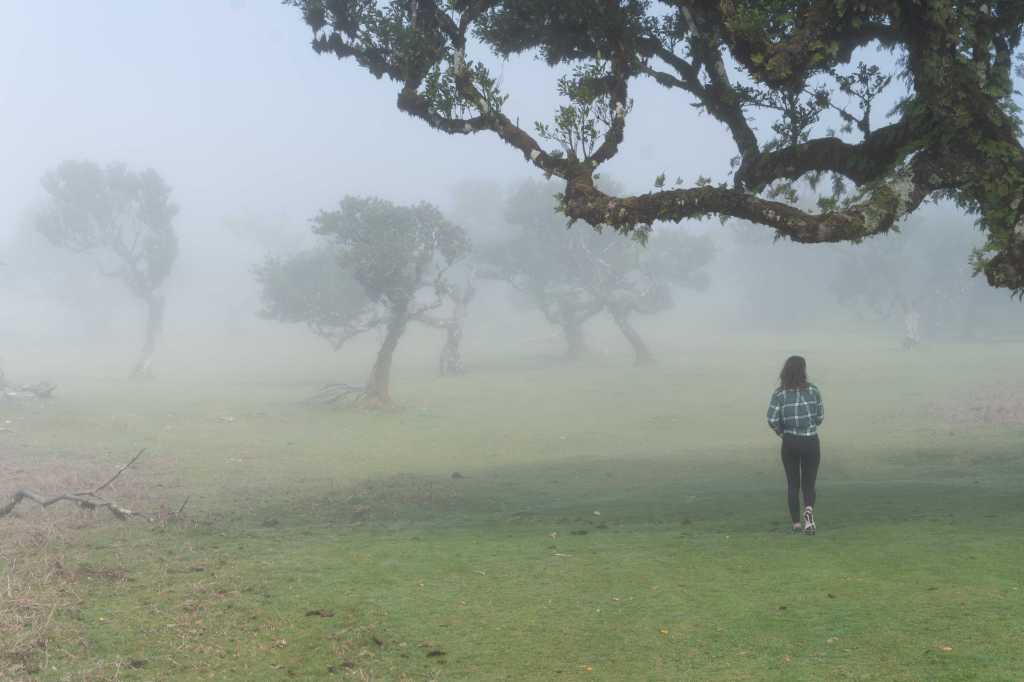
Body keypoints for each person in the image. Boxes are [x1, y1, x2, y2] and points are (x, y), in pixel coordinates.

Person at [766, 356, 824, 535]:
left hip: (790, 441)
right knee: (809, 483)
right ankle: (809, 513)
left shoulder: (779, 393)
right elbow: (819, 417)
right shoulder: (813, 390)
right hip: (811, 441)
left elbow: (772, 419)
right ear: (803, 370)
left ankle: (797, 523)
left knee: (793, 484)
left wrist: (782, 432)